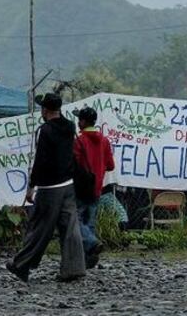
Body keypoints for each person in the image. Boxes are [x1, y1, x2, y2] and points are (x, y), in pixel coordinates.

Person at [6, 93, 85, 283]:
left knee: (40, 227)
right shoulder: (69, 126)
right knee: (70, 227)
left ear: (45, 110)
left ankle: (21, 265)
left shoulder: (45, 130)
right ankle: (73, 268)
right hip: (68, 183)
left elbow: (40, 160)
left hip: (50, 186)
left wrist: (32, 185)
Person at [72, 106, 115, 269]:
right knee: (89, 222)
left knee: (75, 219)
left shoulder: (79, 141)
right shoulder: (104, 141)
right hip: (97, 187)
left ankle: (91, 243)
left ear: (83, 121)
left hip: (81, 187)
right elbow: (111, 166)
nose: (78, 122)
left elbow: (74, 163)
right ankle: (88, 257)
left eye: (79, 120)